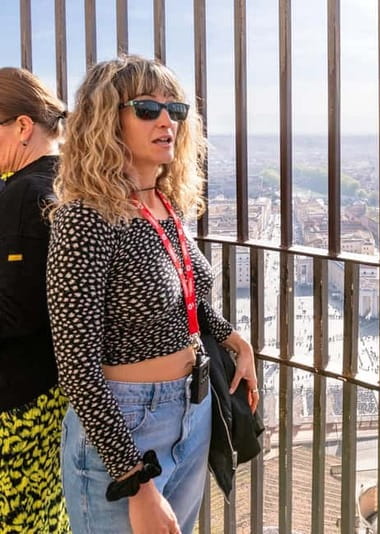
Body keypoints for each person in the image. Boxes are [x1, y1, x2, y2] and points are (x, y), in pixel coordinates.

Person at [46, 55, 258, 534]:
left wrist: (231, 339)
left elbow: (185, 300)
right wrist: (135, 481)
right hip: (126, 426)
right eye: (146, 109)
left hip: (193, 409)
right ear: (107, 121)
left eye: (175, 110)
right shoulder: (85, 219)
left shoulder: (163, 203)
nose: (166, 121)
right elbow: (76, 366)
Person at [0, 67, 68, 533]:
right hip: (54, 389)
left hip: (16, 397)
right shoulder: (70, 181)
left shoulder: (23, 193)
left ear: (23, 127)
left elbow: (15, 311)